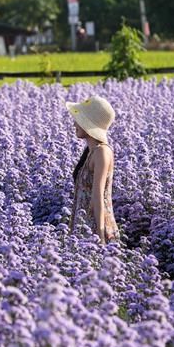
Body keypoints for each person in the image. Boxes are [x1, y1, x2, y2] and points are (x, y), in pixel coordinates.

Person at [66, 95, 120, 244]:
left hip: (95, 230)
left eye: (79, 119)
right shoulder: (91, 152)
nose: (74, 124)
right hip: (83, 228)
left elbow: (98, 195)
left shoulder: (102, 152)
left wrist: (101, 236)